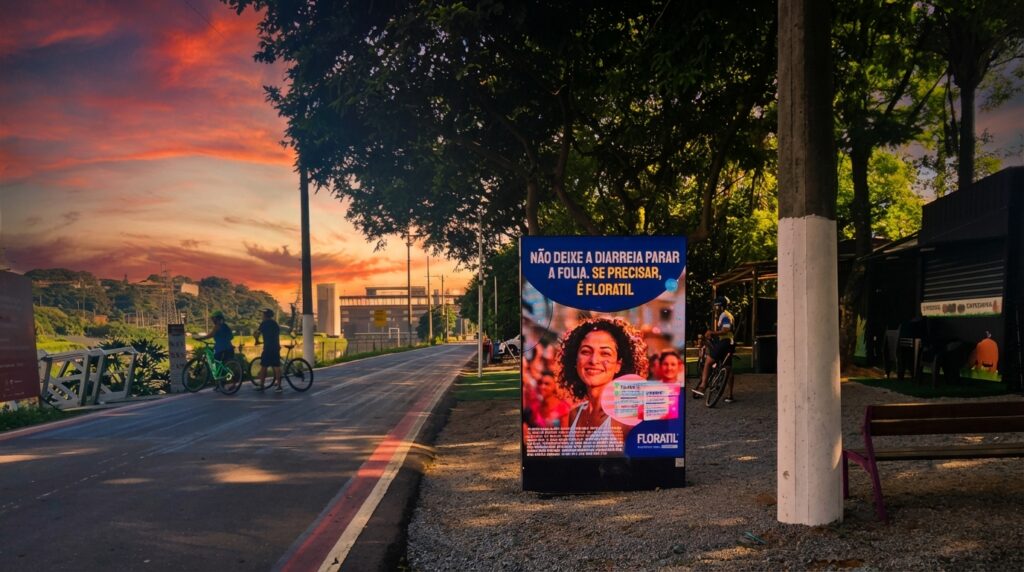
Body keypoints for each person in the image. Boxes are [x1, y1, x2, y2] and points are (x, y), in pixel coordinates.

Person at [557, 317, 648, 453]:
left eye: (605, 353)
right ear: (575, 360)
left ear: (618, 365)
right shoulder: (574, 414)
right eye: (586, 351)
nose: (594, 360)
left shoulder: (626, 416)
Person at [692, 296, 736, 403]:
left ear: (721, 306)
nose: (715, 308)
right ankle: (730, 395)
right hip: (731, 344)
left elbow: (726, 330)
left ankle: (702, 386)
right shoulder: (729, 315)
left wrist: (712, 332)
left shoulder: (724, 315)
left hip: (724, 343)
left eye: (717, 306)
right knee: (728, 368)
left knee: (708, 362)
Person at [253, 308, 283, 392]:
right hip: (276, 347)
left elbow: (256, 333)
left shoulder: (264, 324)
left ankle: (261, 385)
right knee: (277, 366)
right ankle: (279, 386)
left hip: (268, 348)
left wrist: (256, 340)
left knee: (264, 366)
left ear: (265, 315)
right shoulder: (275, 324)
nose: (262, 316)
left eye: (263, 314)